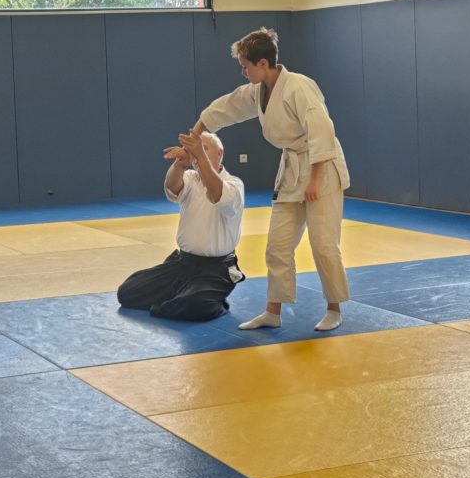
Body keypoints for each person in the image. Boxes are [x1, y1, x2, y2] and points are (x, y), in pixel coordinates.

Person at [191, 27, 350, 331]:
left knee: (324, 244)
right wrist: (196, 133)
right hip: (291, 169)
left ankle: (334, 308)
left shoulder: (299, 87)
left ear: (263, 63)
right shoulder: (258, 92)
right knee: (277, 244)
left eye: (246, 66)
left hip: (322, 168)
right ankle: (273, 312)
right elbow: (228, 106)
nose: (243, 72)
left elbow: (322, 131)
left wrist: (314, 180)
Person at [117, 132, 245, 321]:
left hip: (216, 269)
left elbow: (216, 193)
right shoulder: (191, 178)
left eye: (204, 148)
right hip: (183, 263)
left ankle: (200, 298)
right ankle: (181, 296)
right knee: (128, 292)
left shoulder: (233, 184)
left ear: (220, 153)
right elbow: (173, 187)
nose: (198, 152)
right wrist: (180, 164)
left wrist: (199, 156)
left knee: (197, 305)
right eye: (195, 149)